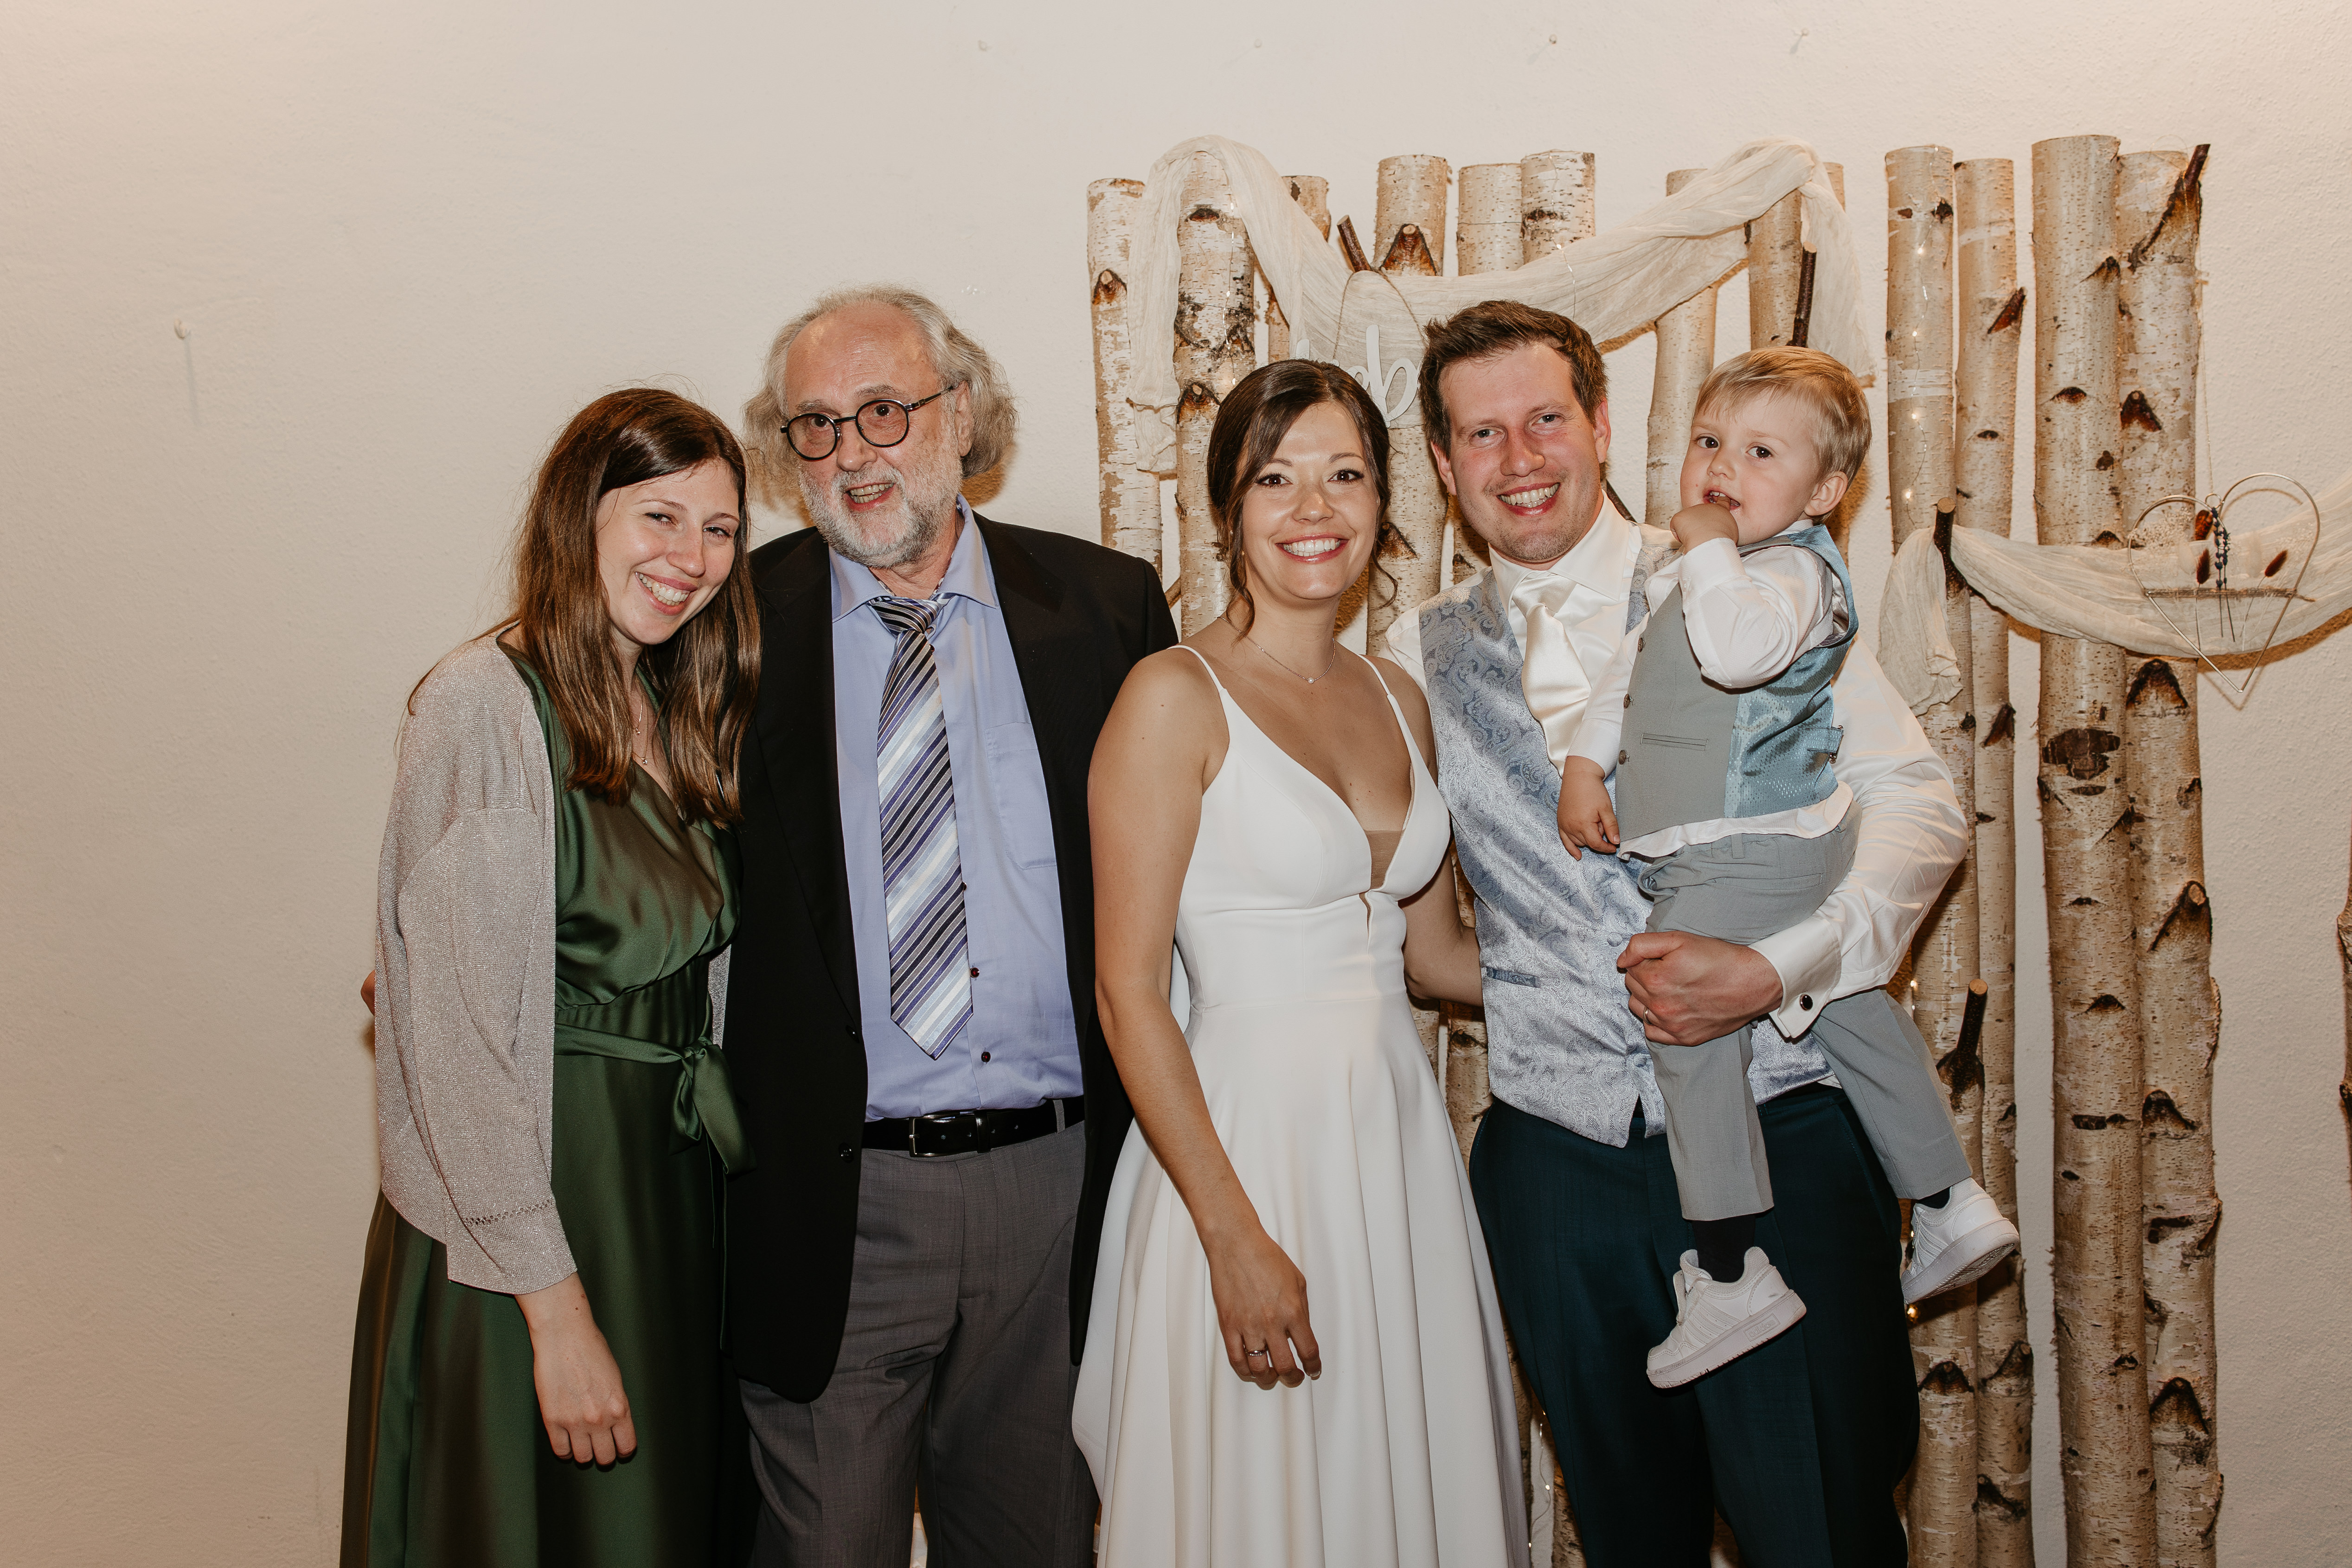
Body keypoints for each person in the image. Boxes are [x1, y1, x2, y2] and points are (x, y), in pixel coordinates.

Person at [1383, 301, 1967, 1567]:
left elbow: (1918, 803)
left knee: (1822, 1527)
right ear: (1442, 461)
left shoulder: (1749, 575)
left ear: (1601, 425)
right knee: (1629, 1531)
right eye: (1481, 432)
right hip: (1556, 1167)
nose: (1519, 457)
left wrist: (1777, 966)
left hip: (1781, 1131)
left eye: (1546, 417)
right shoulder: (1410, 656)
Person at [719, 286, 1176, 1567]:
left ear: (960, 414)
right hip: (835, 1200)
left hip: (1057, 1190)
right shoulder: (730, 628)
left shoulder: (1107, 609)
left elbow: (1185, 885)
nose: (852, 453)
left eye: (885, 410)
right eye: (816, 425)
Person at [1075, 358, 1529, 1566]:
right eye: (1275, 478)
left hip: (1394, 1146)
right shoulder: (1171, 696)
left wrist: (1611, 974)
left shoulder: (1398, 697)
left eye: (1345, 475)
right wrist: (1233, 1234)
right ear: (1228, 507)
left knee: (1399, 1480)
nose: (1313, 508)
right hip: (1238, 1151)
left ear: (1384, 501)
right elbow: (1127, 993)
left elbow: (1437, 957)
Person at [342, 388, 762, 1567]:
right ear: (581, 514)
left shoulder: (673, 703)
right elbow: (460, 1042)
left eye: (720, 530)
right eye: (659, 517)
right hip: (533, 1223)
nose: (692, 559)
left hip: (662, 1201)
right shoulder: (484, 704)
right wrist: (555, 1309)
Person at [1553, 348, 2019, 1387]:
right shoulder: (1691, 576)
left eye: (1761, 452)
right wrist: (1586, 763)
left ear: (1823, 493)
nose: (1722, 466)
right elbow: (1633, 672)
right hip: (1768, 846)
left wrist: (1708, 549)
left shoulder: (1796, 576)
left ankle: (1729, 1270)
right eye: (1709, 441)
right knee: (1847, 1004)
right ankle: (1949, 1197)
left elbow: (1734, 653)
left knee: (1680, 1022)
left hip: (1744, 845)